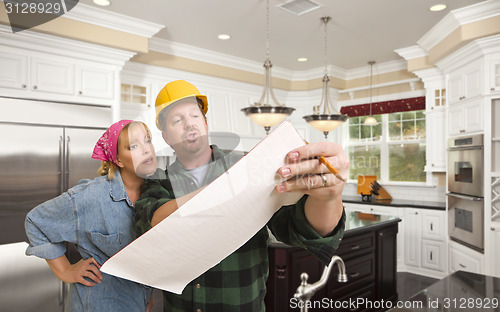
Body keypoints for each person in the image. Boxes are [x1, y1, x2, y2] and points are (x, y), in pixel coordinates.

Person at [134, 80, 349, 312]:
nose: (189, 125)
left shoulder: (248, 166)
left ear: (205, 123)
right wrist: (228, 187)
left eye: (194, 116)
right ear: (166, 137)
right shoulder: (158, 182)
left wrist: (328, 197)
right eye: (177, 120)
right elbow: (152, 223)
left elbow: (300, 227)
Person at [25, 120, 157, 312]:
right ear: (118, 160)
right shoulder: (91, 196)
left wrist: (147, 296)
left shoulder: (155, 196)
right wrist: (66, 270)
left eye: (148, 140)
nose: (147, 150)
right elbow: (35, 222)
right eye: (134, 146)